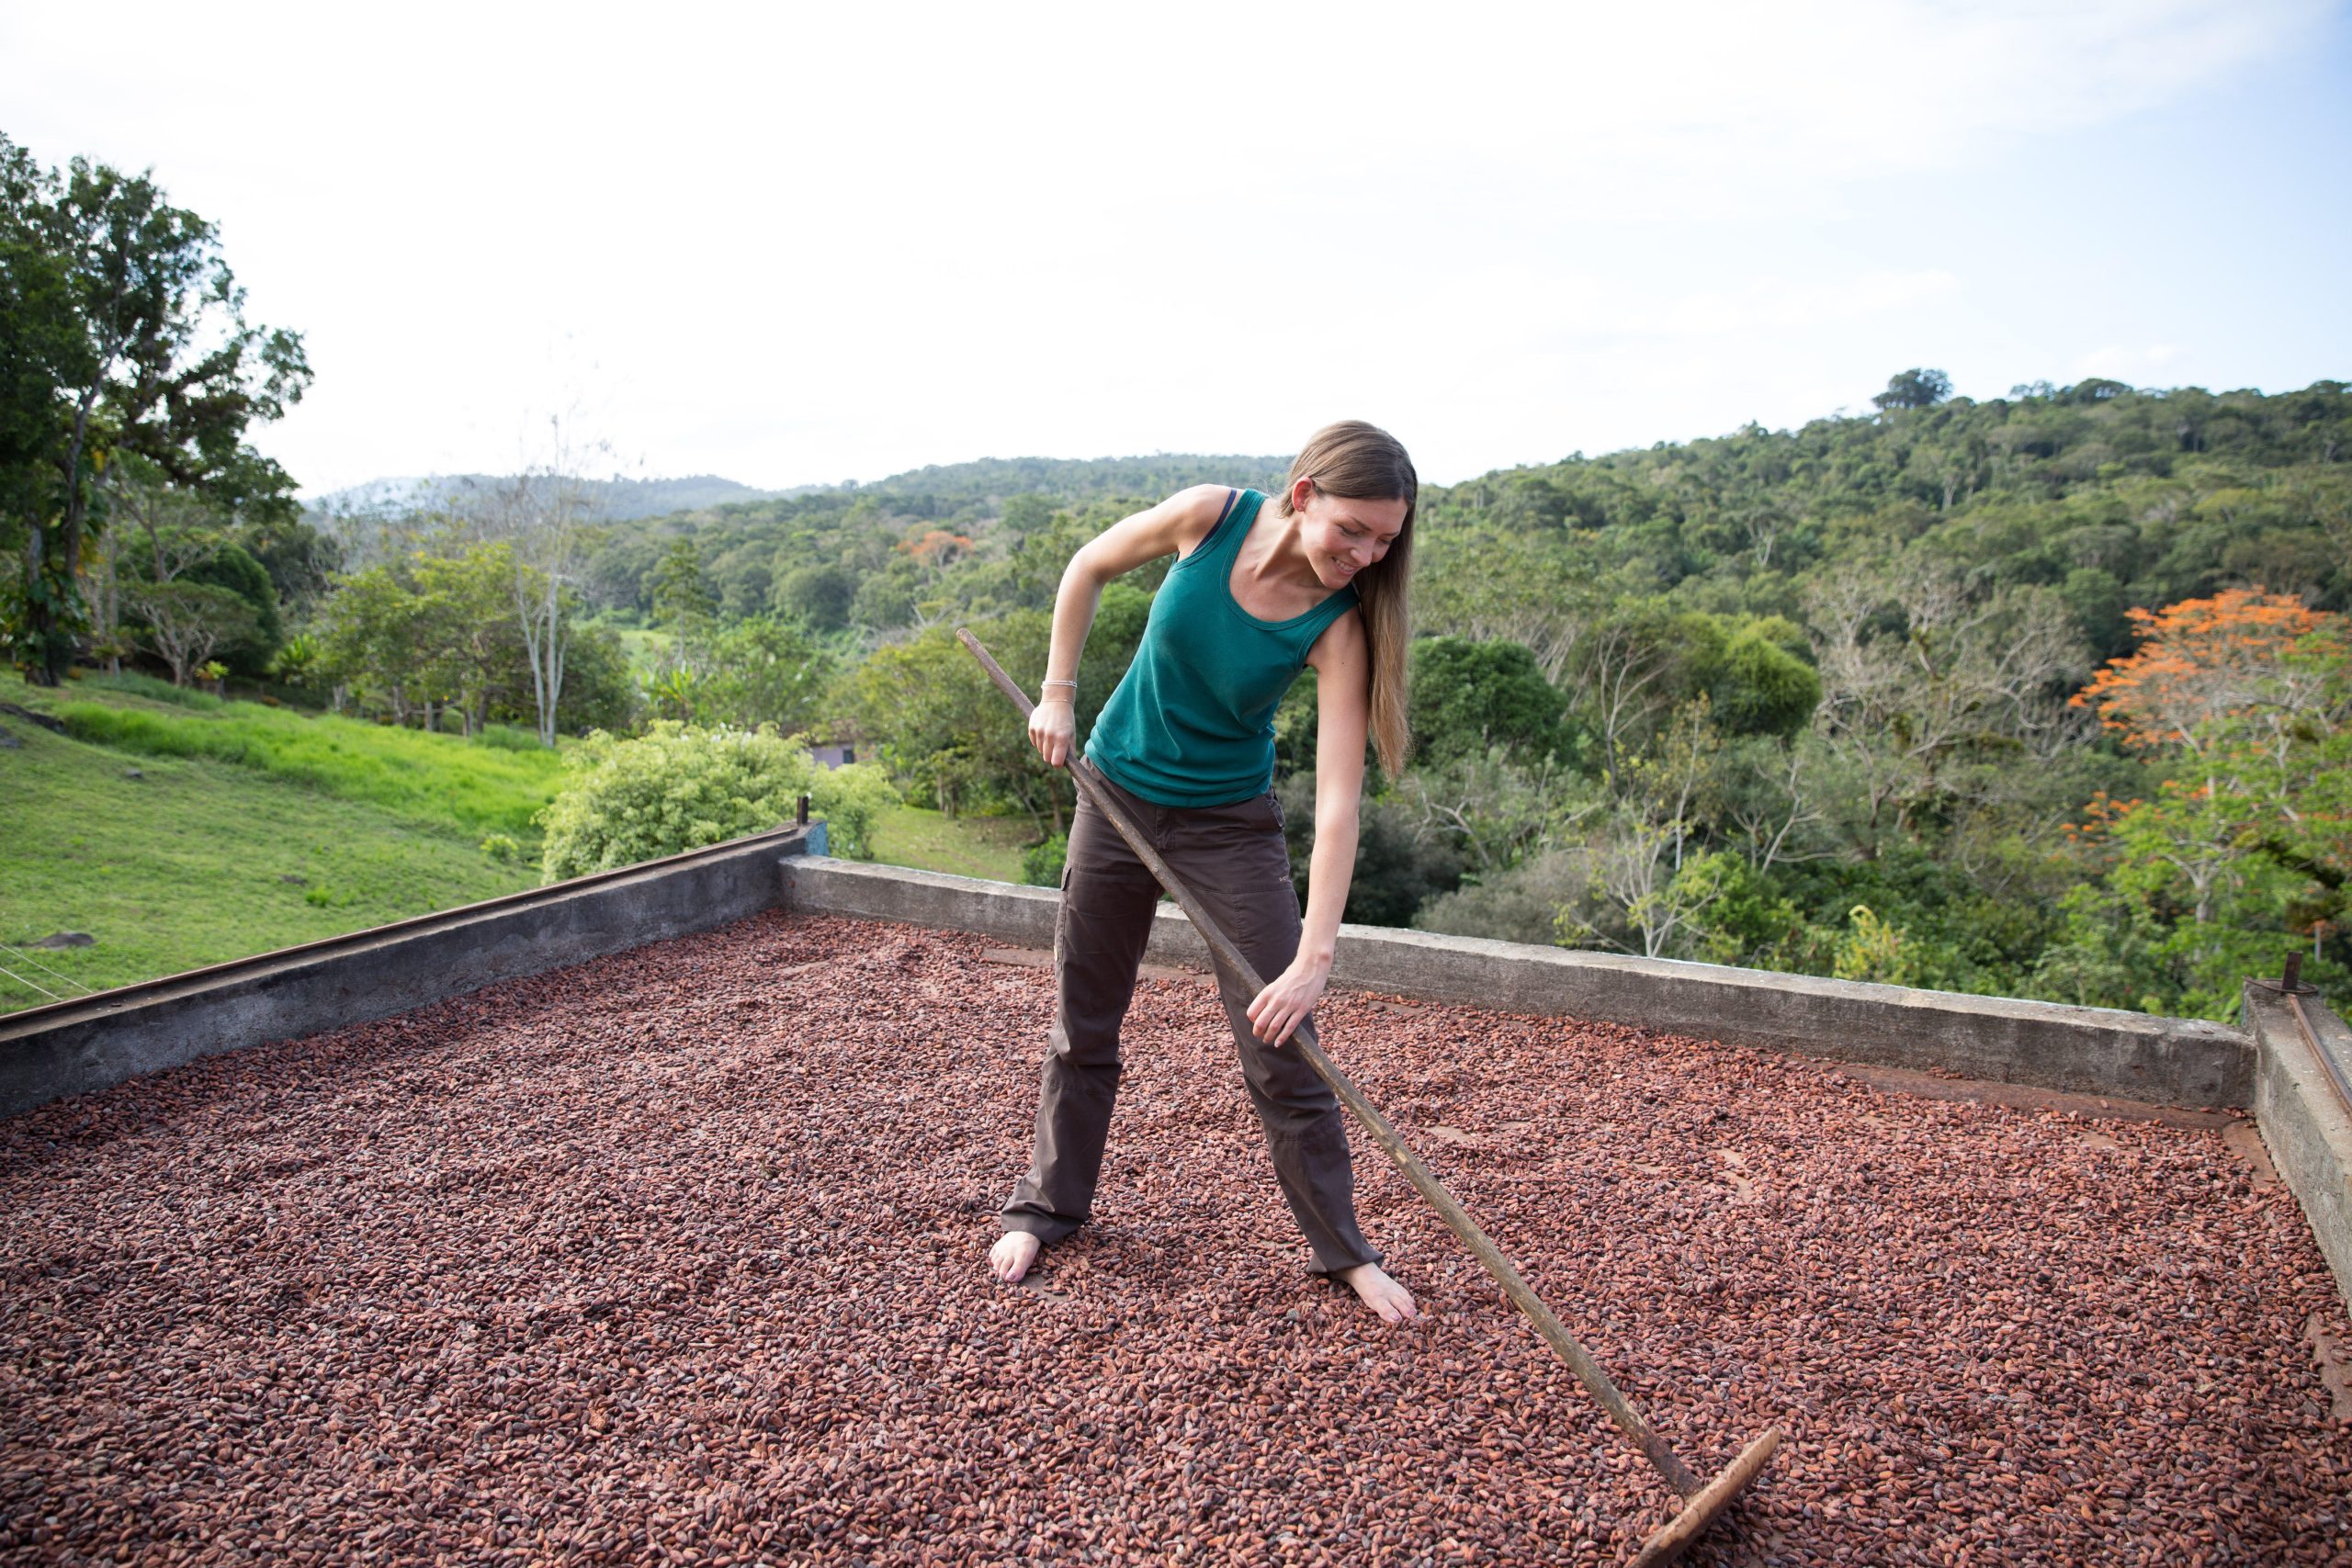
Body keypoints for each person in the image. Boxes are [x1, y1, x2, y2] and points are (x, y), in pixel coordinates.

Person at [986, 420, 1421, 1324]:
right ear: (1303, 496)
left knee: (1284, 1043)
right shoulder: (1206, 517)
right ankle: (1047, 1208)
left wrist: (1314, 958)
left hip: (1230, 829)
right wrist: (1059, 691)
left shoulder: (1338, 629)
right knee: (1084, 1022)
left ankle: (1342, 1250)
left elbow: (1338, 806)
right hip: (1113, 798)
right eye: (1354, 530)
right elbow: (1087, 568)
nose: (1367, 555)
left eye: (1384, 540)